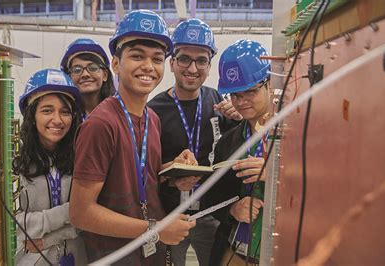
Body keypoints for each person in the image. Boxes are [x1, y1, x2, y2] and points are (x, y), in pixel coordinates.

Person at [69, 10, 196, 265]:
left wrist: (173, 171)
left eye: (157, 59)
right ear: (116, 64)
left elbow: (136, 175)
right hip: (115, 255)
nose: (148, 67)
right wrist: (155, 228)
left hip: (150, 252)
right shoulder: (101, 124)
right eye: (137, 56)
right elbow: (81, 213)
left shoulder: (152, 118)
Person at [148, 18, 241, 266]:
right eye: (184, 59)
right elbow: (144, 170)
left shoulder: (219, 101)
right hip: (170, 215)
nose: (192, 68)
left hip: (212, 213)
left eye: (201, 60)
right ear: (172, 63)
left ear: (210, 66)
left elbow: (239, 149)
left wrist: (242, 118)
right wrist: (170, 175)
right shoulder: (154, 110)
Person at [206, 39, 273, 266]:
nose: (241, 102)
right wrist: (233, 209)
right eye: (234, 95)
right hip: (236, 251)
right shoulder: (228, 142)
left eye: (250, 92)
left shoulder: (296, 135)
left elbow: (326, 185)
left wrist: (274, 173)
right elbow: (213, 197)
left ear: (269, 83)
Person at [13, 69, 87, 265]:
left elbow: (89, 219)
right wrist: (70, 212)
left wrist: (47, 239)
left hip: (80, 257)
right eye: (47, 110)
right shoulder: (15, 161)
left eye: (65, 112)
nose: (57, 120)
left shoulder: (81, 156)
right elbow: (14, 225)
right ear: (32, 114)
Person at [60, 38, 116, 120]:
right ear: (68, 77)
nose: (85, 74)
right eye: (77, 70)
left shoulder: (118, 112)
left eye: (92, 68)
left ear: (105, 75)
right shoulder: (64, 117)